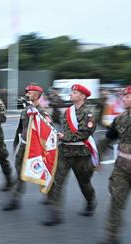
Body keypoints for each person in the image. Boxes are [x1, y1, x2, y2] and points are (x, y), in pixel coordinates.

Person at [43, 84, 98, 226]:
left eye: (75, 92)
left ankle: (91, 200)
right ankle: (55, 214)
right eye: (72, 92)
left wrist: (64, 137)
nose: (71, 94)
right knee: (57, 181)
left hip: (80, 154)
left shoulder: (89, 113)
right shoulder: (68, 111)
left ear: (82, 96)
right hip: (65, 152)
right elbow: (65, 132)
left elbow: (84, 134)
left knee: (84, 183)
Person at [2, 84, 52, 210]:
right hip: (24, 146)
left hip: (36, 149)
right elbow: (22, 128)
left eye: (29, 93)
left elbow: (48, 131)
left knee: (42, 172)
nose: (27, 94)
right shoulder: (26, 110)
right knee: (19, 173)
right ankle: (15, 200)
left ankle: (51, 195)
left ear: (36, 95)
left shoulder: (42, 112)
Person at [97, 86, 131, 244]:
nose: (124, 99)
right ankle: (112, 234)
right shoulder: (121, 119)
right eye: (123, 96)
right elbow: (107, 139)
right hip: (122, 169)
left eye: (127, 96)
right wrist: (97, 158)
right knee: (116, 201)